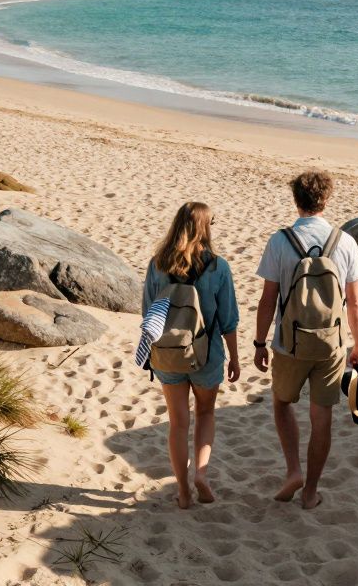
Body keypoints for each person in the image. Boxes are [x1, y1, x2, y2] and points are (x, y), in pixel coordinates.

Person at [254, 170, 358, 510]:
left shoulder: (280, 241)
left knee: (282, 402)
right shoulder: (344, 241)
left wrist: (260, 343)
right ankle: (310, 492)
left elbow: (267, 299)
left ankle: (293, 470)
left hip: (289, 344)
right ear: (326, 200)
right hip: (331, 345)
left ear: (296, 200)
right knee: (323, 418)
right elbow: (356, 302)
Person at [142, 202, 241, 509]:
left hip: (168, 353)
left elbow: (147, 313)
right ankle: (200, 473)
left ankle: (183, 491)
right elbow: (228, 319)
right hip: (206, 353)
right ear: (205, 227)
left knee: (177, 423)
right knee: (206, 413)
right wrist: (235, 358)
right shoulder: (217, 267)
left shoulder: (158, 264)